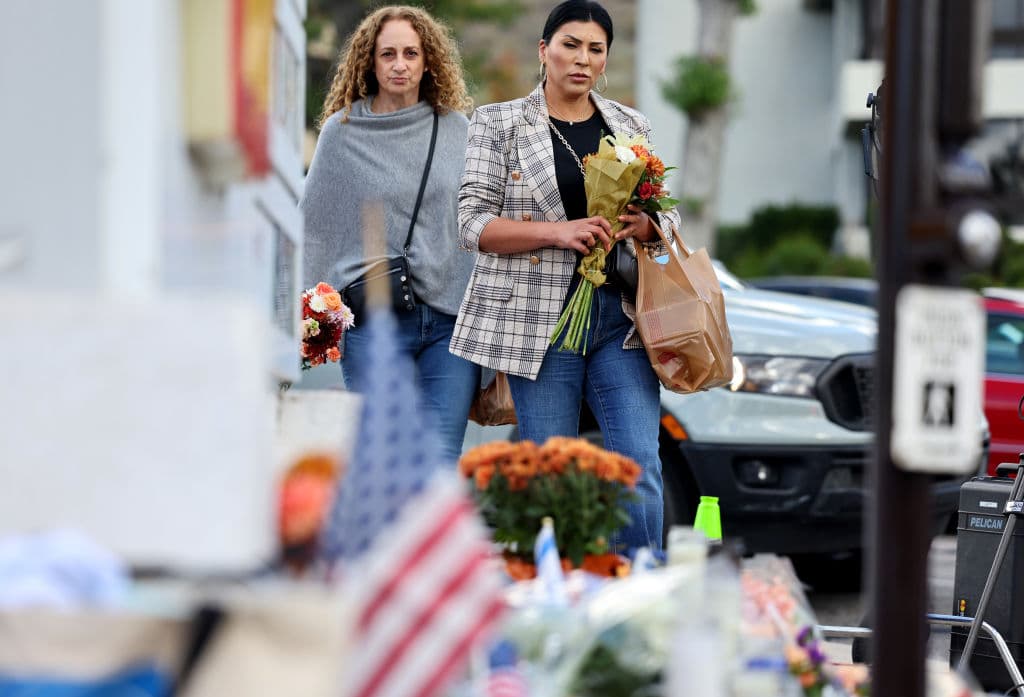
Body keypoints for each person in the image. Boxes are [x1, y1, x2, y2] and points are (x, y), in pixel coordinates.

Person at [451, 0, 682, 554]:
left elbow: (669, 218)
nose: (582, 59)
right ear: (544, 51)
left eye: (595, 50)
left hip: (618, 320)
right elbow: (471, 223)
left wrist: (647, 226)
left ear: (605, 60)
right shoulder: (499, 123)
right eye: (570, 45)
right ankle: (553, 599)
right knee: (550, 469)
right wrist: (557, 233)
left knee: (637, 464)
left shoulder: (630, 124)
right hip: (541, 323)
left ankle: (640, 593)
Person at [302, 5, 479, 463]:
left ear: (428, 61)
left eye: (410, 53)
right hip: (374, 322)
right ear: (370, 62)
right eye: (388, 55)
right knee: (382, 463)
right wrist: (307, 319)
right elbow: (315, 227)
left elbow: (477, 219)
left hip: (449, 327)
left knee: (439, 463)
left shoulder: (457, 130)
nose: (400, 64)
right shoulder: (342, 134)